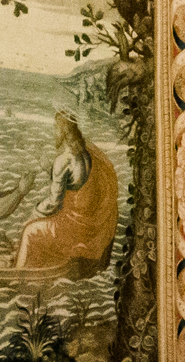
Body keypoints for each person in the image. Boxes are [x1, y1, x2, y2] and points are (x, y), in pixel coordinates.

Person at [12, 111, 119, 271]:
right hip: (86, 223)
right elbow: (75, 182)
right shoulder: (86, 153)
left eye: (56, 127)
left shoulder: (63, 160)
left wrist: (34, 213)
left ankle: (18, 273)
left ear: (63, 130)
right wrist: (49, 168)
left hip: (70, 226)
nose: (54, 131)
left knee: (29, 231)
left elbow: (54, 203)